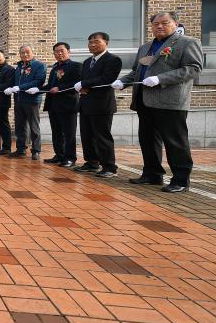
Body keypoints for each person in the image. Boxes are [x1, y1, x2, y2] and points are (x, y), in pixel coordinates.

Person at [116, 12, 203, 192]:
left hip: (169, 101)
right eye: (156, 24)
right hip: (144, 101)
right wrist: (123, 82)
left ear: (175, 23)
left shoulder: (187, 42)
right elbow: (137, 71)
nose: (160, 26)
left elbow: (193, 69)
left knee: (175, 142)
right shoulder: (145, 47)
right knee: (147, 140)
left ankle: (180, 180)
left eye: (165, 23)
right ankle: (152, 174)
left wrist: (161, 79)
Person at [75, 32, 123, 178]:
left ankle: (109, 166)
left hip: (102, 105)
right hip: (85, 103)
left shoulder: (113, 60)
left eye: (96, 41)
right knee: (87, 135)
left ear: (106, 42)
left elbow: (106, 79)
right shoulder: (87, 61)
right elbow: (84, 79)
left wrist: (84, 84)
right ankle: (91, 162)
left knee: (102, 136)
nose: (93, 45)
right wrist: (83, 86)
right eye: (90, 42)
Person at [43, 42, 82, 168]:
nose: (59, 53)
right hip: (53, 104)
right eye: (56, 51)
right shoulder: (55, 68)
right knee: (56, 132)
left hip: (68, 104)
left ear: (68, 51)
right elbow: (50, 86)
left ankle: (70, 158)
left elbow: (77, 84)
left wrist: (60, 88)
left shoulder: (76, 66)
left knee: (68, 132)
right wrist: (36, 89)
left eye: (62, 51)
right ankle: (59, 155)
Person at [8, 45, 46, 160]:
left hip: (32, 100)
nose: (25, 54)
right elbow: (14, 82)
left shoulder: (39, 65)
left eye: (27, 52)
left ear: (32, 52)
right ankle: (21, 149)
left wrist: (19, 87)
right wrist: (10, 88)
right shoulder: (19, 67)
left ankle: (36, 150)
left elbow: (39, 81)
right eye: (22, 53)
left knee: (34, 126)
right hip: (19, 100)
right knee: (20, 126)